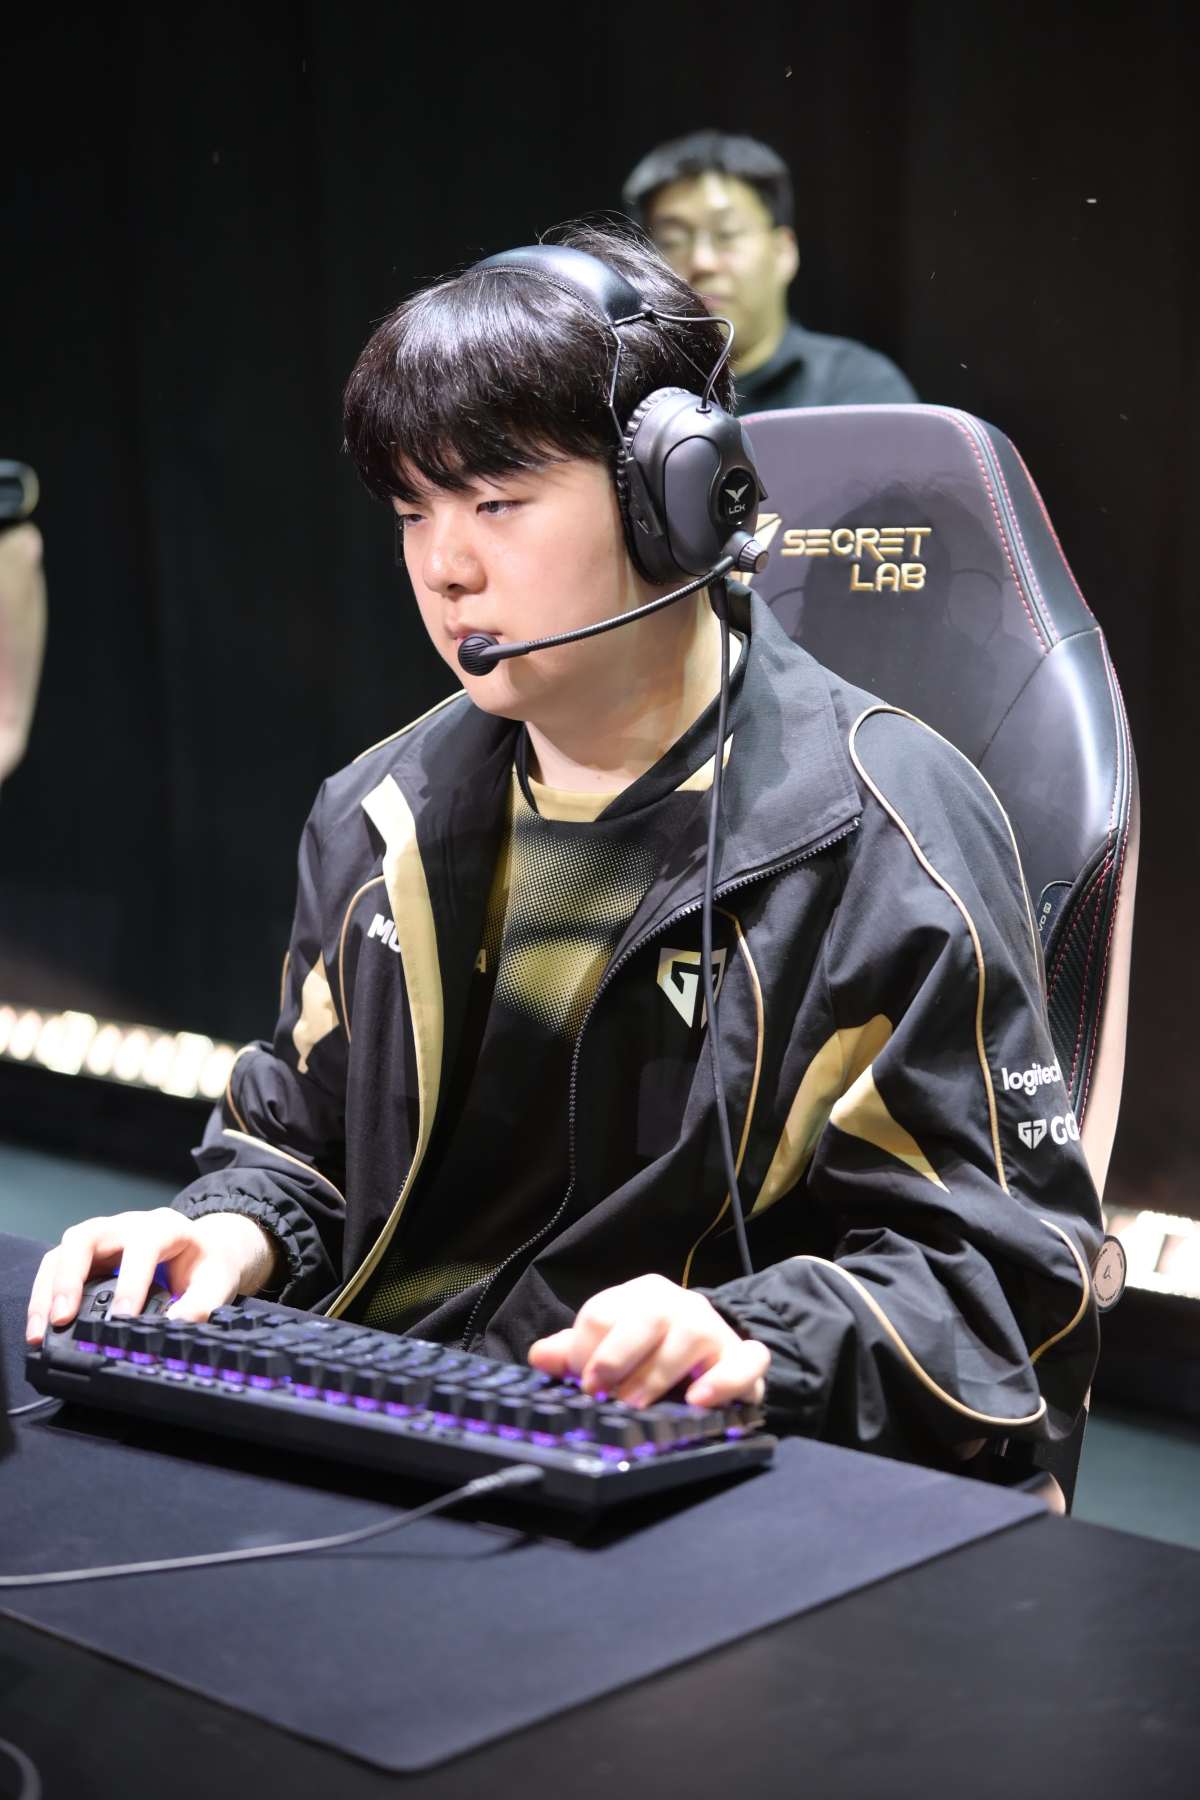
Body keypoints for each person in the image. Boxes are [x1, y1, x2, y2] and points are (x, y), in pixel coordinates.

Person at [26, 224, 1100, 1469]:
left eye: (497, 502)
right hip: (383, 1434)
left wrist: (749, 1338)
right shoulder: (382, 812)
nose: (445, 567)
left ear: (673, 504)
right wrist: (228, 1228)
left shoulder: (884, 834)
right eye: (414, 510)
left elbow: (1005, 1282)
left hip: (677, 1469)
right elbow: (297, 1144)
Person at [623, 129, 917, 414]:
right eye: (672, 241)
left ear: (783, 252)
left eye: (727, 233)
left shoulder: (857, 389)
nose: (702, 261)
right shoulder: (624, 394)